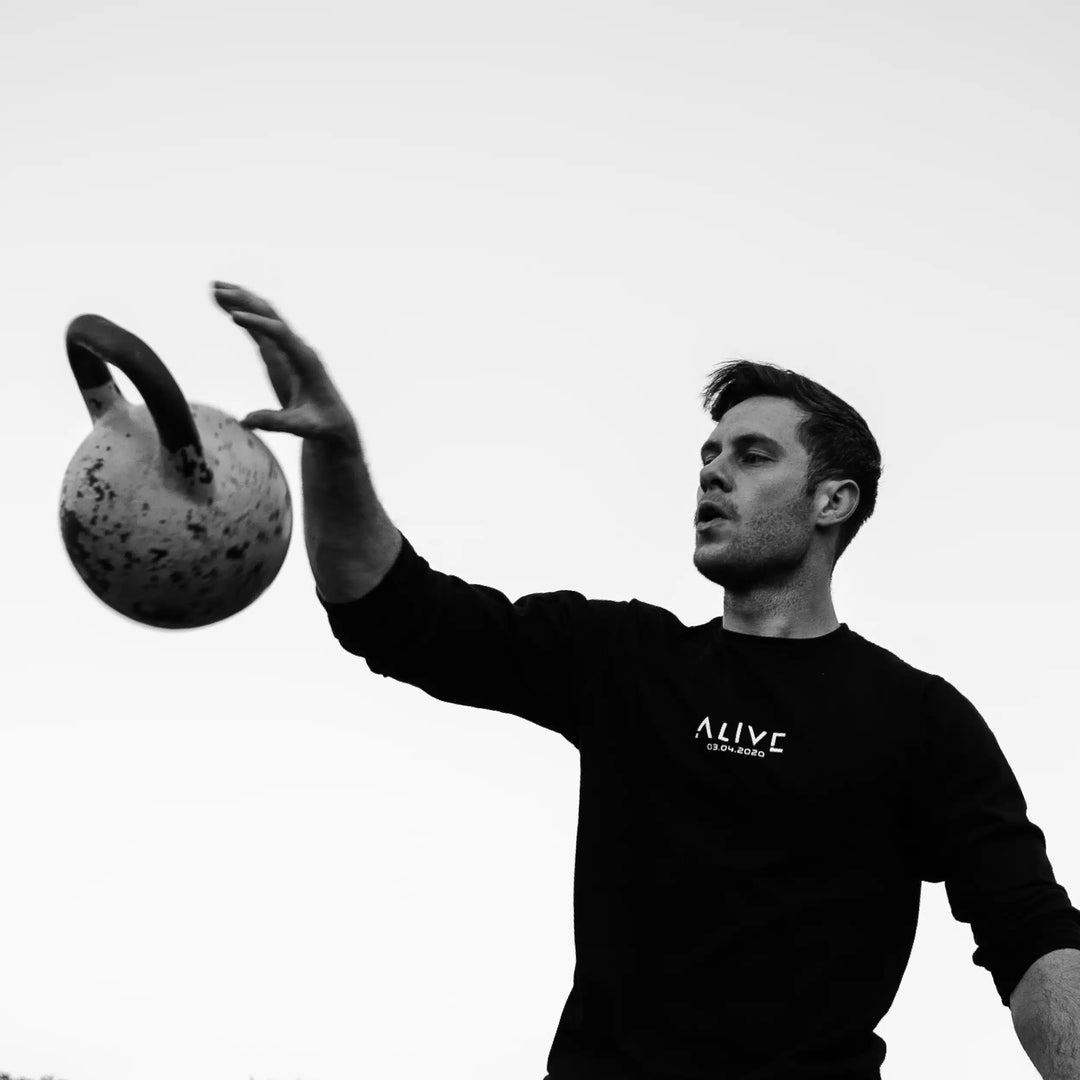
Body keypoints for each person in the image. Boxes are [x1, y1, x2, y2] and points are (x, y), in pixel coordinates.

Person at [212, 281, 1080, 1080]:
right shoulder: (626, 658)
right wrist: (333, 453)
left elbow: (1031, 936)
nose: (712, 471)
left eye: (752, 455)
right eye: (709, 454)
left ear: (832, 501)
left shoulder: (920, 719)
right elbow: (393, 614)